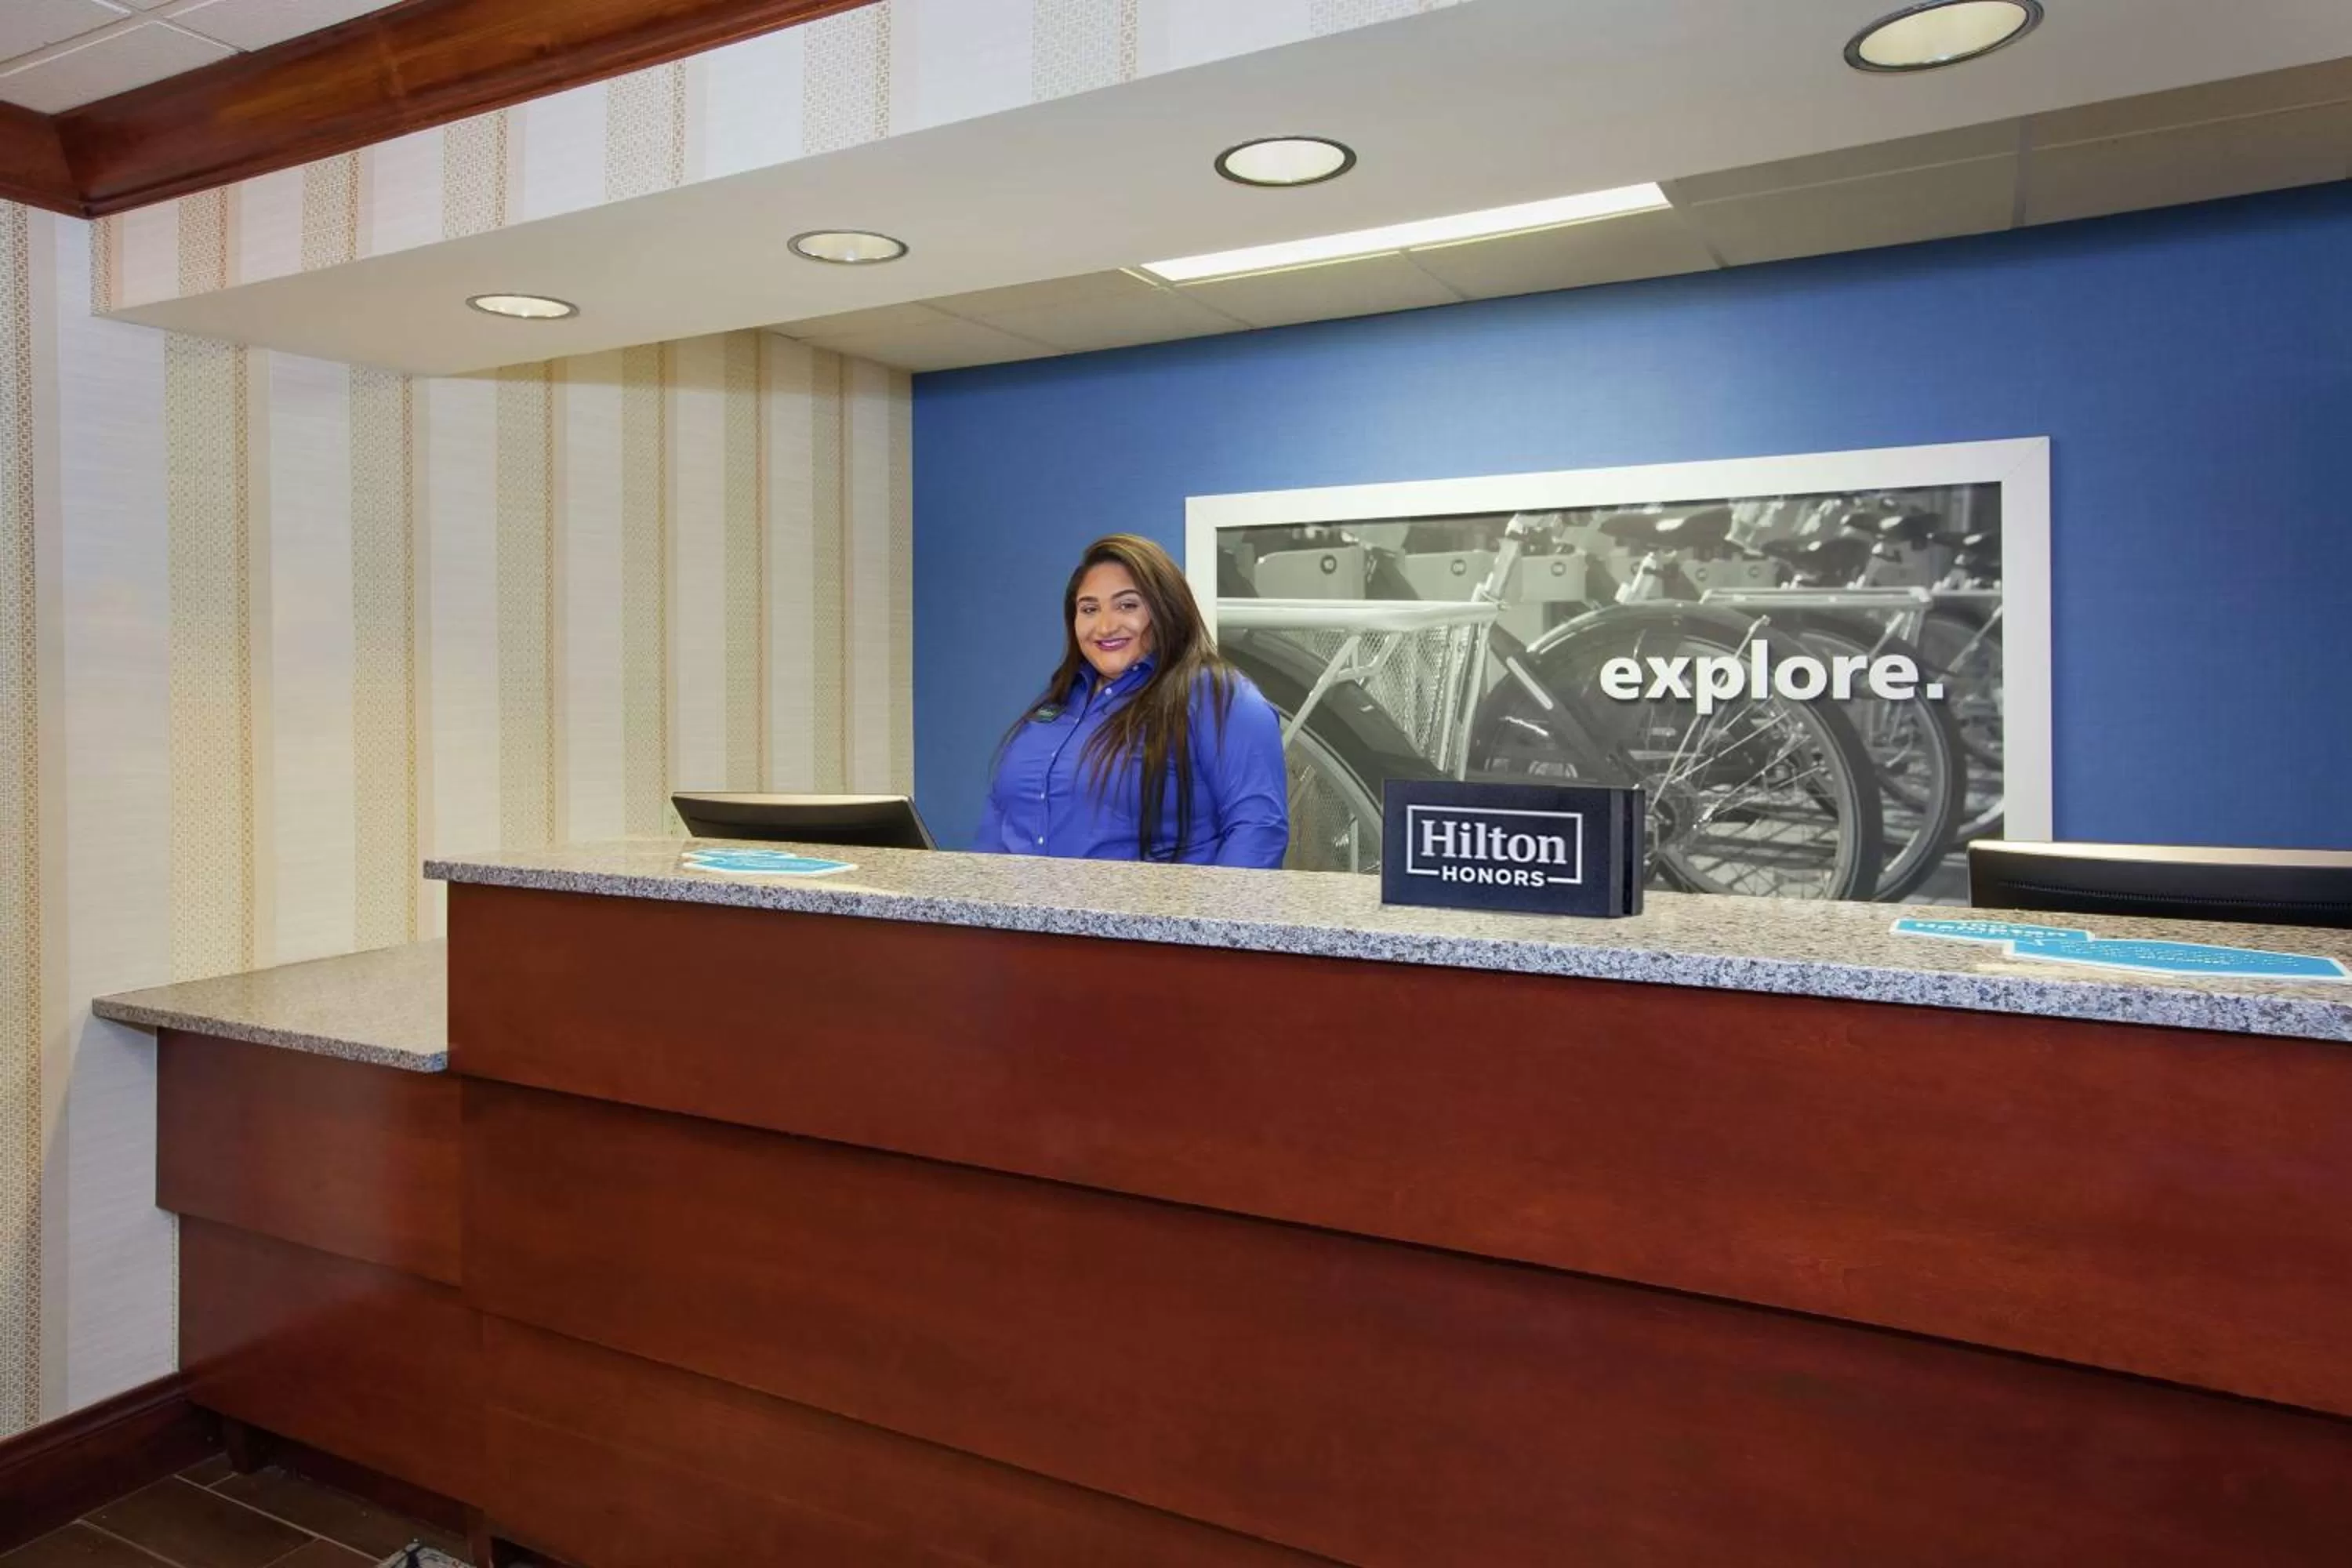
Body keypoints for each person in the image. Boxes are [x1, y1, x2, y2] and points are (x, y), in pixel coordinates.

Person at [972, 533, 1289, 867]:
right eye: (1089, 609)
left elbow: (1259, 829)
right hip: (1018, 917)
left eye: (1127, 605)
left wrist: (1209, 919)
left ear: (1166, 607)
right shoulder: (1060, 700)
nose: (1105, 626)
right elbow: (1000, 819)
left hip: (1158, 917)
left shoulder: (1218, 696)